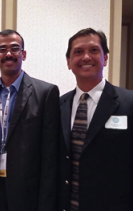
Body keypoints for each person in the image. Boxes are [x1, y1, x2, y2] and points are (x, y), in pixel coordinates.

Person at [0, 29, 60, 211]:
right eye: (2, 49)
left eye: (15, 48)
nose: (8, 54)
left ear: (24, 54)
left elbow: (50, 157)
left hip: (28, 193)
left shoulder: (46, 93)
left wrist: (46, 204)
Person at [59, 28, 133, 211]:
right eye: (78, 52)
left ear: (105, 58)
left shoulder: (129, 103)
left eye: (94, 50)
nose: (85, 57)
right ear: (68, 62)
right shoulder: (58, 105)